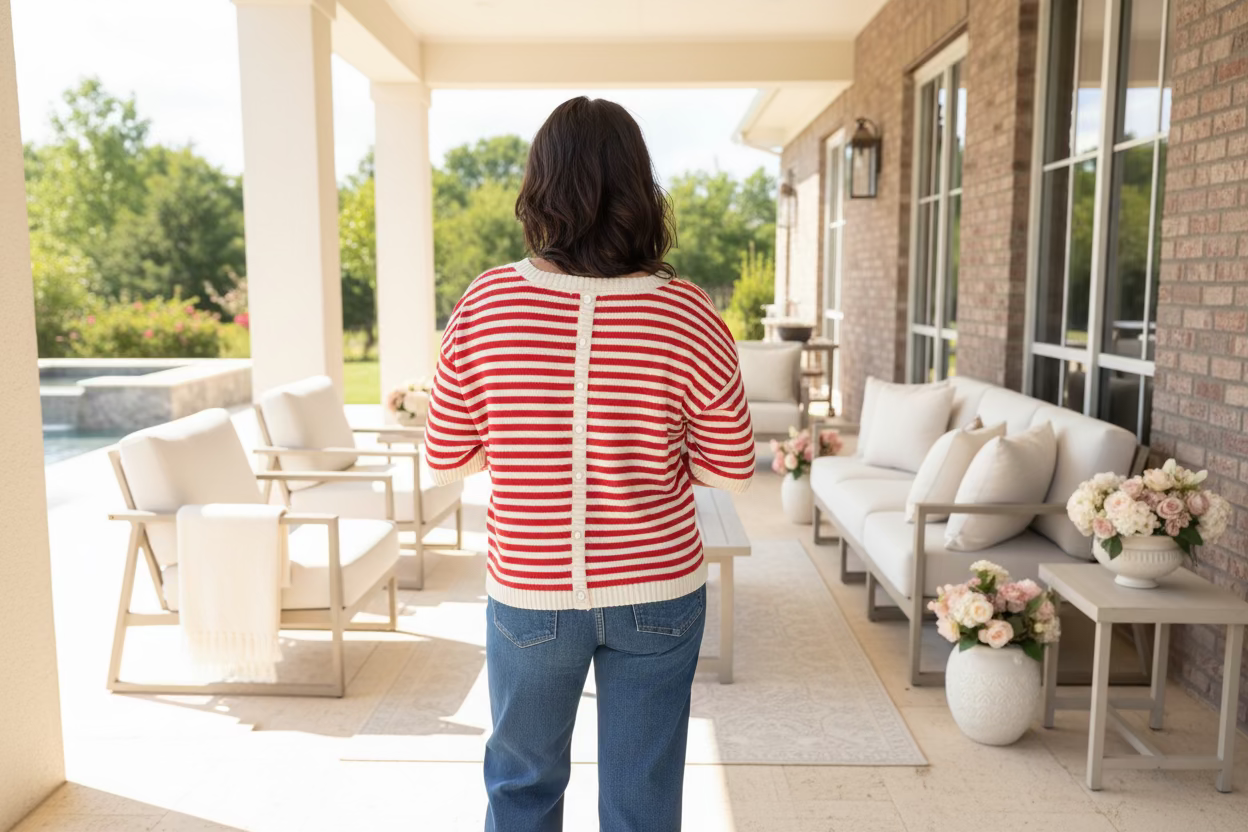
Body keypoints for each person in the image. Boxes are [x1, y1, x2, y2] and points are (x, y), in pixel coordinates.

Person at [422, 96, 755, 832]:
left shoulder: (487, 302)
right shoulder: (688, 311)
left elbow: (445, 455)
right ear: (641, 188)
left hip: (531, 589)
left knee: (521, 785)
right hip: (658, 587)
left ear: (540, 186)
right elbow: (730, 468)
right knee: (642, 797)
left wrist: (518, 440)